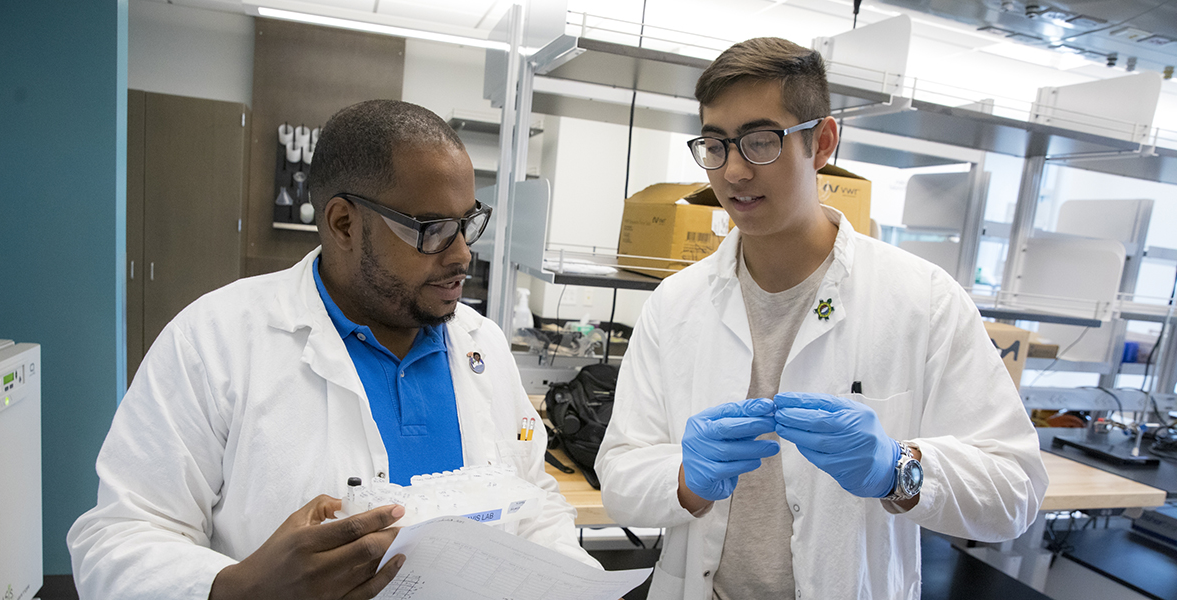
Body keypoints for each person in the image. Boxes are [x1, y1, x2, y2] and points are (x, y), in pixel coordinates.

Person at [68, 99, 599, 600]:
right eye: (432, 230)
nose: (462, 255)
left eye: (467, 224)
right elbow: (115, 540)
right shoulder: (215, 342)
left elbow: (531, 499)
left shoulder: (484, 348)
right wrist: (240, 587)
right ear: (344, 223)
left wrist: (579, 584)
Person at [595, 37, 1049, 599]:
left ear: (822, 141)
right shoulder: (674, 303)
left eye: (760, 141)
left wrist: (897, 469)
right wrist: (685, 479)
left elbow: (1015, 491)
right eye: (715, 144)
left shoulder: (922, 299)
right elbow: (618, 474)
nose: (733, 170)